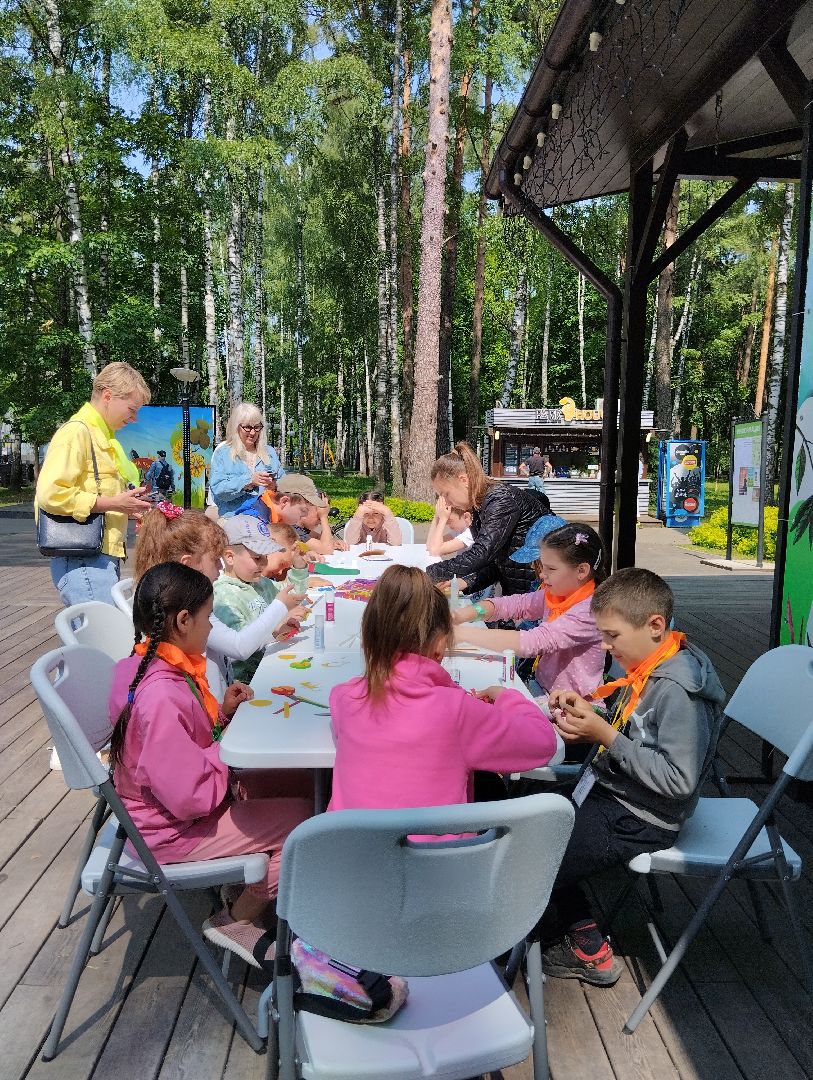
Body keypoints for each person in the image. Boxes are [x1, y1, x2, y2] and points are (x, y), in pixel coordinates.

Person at [109, 562, 311, 968]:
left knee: (298, 778)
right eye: (208, 618)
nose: (210, 629)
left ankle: (249, 885)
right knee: (307, 824)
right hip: (171, 831)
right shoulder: (162, 695)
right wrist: (228, 746)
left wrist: (221, 717)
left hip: (176, 807)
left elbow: (182, 749)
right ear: (183, 621)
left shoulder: (151, 665)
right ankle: (235, 919)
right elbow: (192, 797)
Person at [537, 567, 726, 985]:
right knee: (531, 823)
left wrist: (605, 735)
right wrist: (594, 713)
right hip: (613, 792)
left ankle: (580, 952)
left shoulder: (679, 690)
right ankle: (581, 930)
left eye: (612, 636)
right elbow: (638, 729)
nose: (605, 645)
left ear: (655, 626)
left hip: (641, 818)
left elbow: (679, 781)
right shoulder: (652, 663)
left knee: (530, 855)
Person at [328, 565, 559, 813]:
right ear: (440, 644)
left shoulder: (344, 697)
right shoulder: (456, 710)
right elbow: (544, 742)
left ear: (369, 638)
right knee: (490, 786)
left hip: (348, 849)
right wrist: (506, 696)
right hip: (441, 850)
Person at [133, 505, 304, 688]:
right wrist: (279, 606)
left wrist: (273, 634)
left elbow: (227, 650)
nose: (221, 568)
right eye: (215, 559)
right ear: (189, 564)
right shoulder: (190, 611)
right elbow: (239, 647)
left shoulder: (190, 602)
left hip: (220, 704)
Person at [36, 361, 151, 606]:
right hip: (83, 558)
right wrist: (114, 503)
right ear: (108, 396)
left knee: (99, 639)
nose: (134, 418)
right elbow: (51, 494)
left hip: (94, 556)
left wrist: (126, 505)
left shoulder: (102, 438)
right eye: (132, 409)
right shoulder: (77, 432)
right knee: (104, 640)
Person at [454, 521, 605, 701]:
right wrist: (462, 614)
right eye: (543, 566)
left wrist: (459, 634)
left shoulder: (589, 611)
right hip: (544, 690)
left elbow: (533, 642)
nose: (542, 574)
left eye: (551, 568)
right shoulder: (556, 595)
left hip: (573, 708)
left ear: (581, 570)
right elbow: (515, 604)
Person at [424, 441, 553, 597]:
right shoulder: (478, 507)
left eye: (446, 494)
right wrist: (464, 583)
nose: (447, 502)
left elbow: (481, 554)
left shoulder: (500, 499)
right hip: (520, 594)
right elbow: (496, 562)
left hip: (542, 593)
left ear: (464, 480)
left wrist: (426, 575)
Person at [213, 515, 303, 683]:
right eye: (257, 558)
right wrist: (276, 622)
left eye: (266, 556)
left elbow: (292, 595)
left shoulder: (262, 583)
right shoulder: (223, 597)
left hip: (270, 667)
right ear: (229, 557)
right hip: (247, 682)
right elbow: (239, 646)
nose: (263, 563)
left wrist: (278, 630)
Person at [208, 403, 284, 517]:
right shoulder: (223, 453)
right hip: (234, 518)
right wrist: (249, 481)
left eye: (257, 427)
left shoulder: (270, 453)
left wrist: (275, 486)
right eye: (247, 427)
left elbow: (285, 485)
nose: (253, 433)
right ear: (236, 427)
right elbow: (219, 491)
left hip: (267, 518)